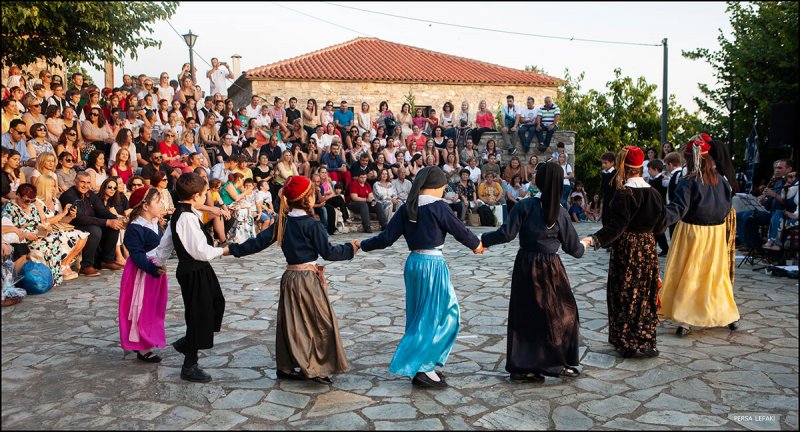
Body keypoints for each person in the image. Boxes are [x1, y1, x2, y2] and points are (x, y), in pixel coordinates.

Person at [356, 166, 484, 388]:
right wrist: (477, 245)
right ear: (435, 187)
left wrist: (362, 244)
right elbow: (460, 230)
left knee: (420, 316)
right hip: (433, 265)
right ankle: (423, 367)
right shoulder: (439, 207)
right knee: (444, 315)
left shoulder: (407, 208)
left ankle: (423, 365)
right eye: (443, 187)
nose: (444, 190)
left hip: (414, 265)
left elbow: (386, 238)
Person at [228, 175, 357, 384]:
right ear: (308, 199)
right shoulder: (312, 225)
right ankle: (316, 367)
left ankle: (286, 367)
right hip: (307, 279)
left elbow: (258, 242)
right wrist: (351, 248)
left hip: (290, 277)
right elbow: (330, 252)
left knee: (291, 322)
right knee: (318, 322)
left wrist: (231, 250)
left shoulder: (283, 222)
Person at [482, 163, 588, 380]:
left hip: (526, 265)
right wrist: (587, 242)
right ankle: (558, 361)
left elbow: (506, 234)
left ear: (539, 181)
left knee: (526, 314)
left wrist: (483, 240)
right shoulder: (560, 212)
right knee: (563, 315)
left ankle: (525, 366)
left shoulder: (525, 206)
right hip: (552, 269)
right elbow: (574, 249)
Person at [583, 146, 666, 358]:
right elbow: (660, 226)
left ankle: (626, 340)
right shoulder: (654, 193)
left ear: (624, 168)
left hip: (627, 248)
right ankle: (647, 339)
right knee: (646, 291)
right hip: (648, 247)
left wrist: (595, 239)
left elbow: (616, 227)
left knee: (625, 291)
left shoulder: (624, 193)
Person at [659, 134, 739, 336]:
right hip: (716, 233)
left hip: (693, 233)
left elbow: (678, 208)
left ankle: (685, 319)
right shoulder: (721, 180)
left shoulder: (689, 181)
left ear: (691, 158)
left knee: (691, 274)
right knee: (715, 275)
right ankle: (728, 315)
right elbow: (726, 207)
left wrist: (656, 220)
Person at [154, 173, 228, 383]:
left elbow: (166, 242)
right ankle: (189, 364)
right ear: (196, 196)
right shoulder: (185, 216)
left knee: (215, 304)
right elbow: (200, 251)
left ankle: (188, 342)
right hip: (193, 270)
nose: (206, 198)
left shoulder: (186, 212)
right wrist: (223, 251)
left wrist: (160, 261)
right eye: (205, 194)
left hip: (199, 269)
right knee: (198, 316)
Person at [118, 186, 169, 363]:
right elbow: (137, 254)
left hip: (155, 272)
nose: (161, 204)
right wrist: (152, 269)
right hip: (142, 274)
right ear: (145, 206)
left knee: (153, 308)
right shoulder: (136, 228)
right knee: (140, 308)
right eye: (157, 201)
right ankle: (142, 346)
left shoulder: (155, 224)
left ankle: (149, 338)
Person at [59, 171, 125, 276]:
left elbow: (101, 210)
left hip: (89, 223)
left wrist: (116, 219)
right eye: (82, 182)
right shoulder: (69, 195)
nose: (85, 185)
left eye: (88, 182)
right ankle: (86, 266)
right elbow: (79, 218)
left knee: (114, 226)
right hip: (72, 225)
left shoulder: (90, 194)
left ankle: (107, 261)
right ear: (75, 181)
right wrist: (106, 222)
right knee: (95, 230)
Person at [646, 159, 670, 256]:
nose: (648, 171)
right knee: (654, 229)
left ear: (656, 170)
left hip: (659, 207)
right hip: (652, 207)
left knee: (658, 230)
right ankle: (654, 247)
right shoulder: (651, 179)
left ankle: (664, 248)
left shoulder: (662, 180)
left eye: (650, 169)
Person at [599, 151, 617, 228]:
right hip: (606, 197)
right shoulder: (604, 173)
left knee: (611, 216)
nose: (603, 165)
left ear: (612, 162)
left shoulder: (615, 173)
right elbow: (603, 186)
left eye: (605, 163)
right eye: (602, 163)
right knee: (605, 216)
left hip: (613, 198)